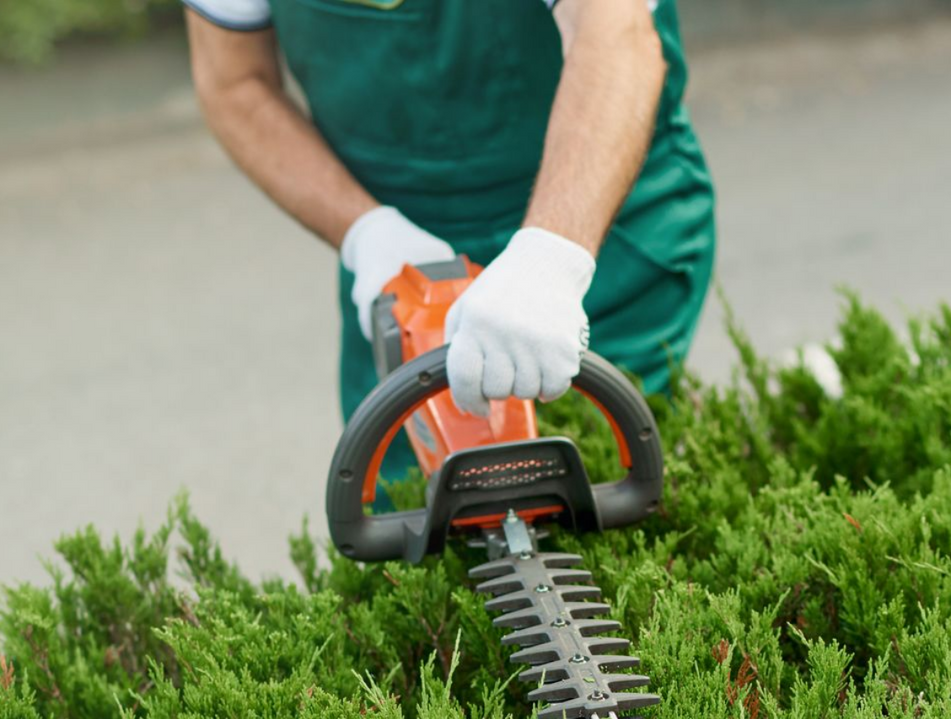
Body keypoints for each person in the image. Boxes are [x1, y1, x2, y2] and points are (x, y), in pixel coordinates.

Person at [182, 0, 716, 480]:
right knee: (407, 511)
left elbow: (613, 32)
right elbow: (235, 83)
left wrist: (551, 258)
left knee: (597, 485)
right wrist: (366, 232)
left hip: (596, 225)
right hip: (401, 260)